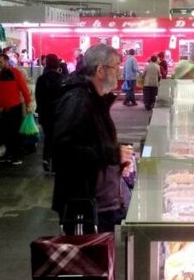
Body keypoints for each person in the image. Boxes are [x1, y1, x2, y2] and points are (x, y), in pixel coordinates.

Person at [52, 44, 133, 234]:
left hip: (100, 203)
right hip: (87, 208)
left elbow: (90, 141)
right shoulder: (78, 100)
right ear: (100, 70)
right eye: (115, 67)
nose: (119, 72)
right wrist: (112, 154)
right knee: (91, 261)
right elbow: (64, 150)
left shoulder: (93, 98)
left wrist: (117, 155)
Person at [0, 52, 33, 165]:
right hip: (4, 108)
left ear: (6, 61)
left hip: (15, 107)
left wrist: (28, 104)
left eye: (0, 62)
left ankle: (16, 156)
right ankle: (8, 154)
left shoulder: (16, 73)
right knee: (5, 132)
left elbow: (24, 89)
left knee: (15, 133)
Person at [35, 54, 66, 174]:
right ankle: (55, 165)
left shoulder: (41, 79)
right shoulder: (62, 78)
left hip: (45, 113)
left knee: (48, 136)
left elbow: (38, 97)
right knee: (58, 137)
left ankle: (46, 158)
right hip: (59, 113)